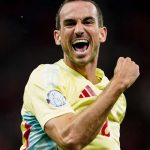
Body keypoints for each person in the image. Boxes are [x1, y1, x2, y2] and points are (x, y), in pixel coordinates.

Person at [20, 0, 140, 149]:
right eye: (70, 23)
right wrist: (119, 83)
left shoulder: (115, 95)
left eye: (88, 22)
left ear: (102, 34)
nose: (78, 30)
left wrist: (115, 86)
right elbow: (69, 139)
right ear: (58, 37)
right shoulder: (46, 77)